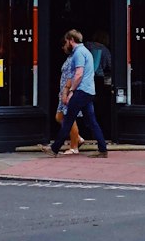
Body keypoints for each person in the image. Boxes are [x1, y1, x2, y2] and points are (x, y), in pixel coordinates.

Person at [44, 29, 108, 158]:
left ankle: (54, 149)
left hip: (81, 91)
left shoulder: (78, 53)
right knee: (92, 121)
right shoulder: (86, 52)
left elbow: (78, 74)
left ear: (71, 40)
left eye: (66, 41)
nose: (66, 44)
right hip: (89, 91)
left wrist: (71, 90)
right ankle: (103, 149)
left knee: (67, 120)